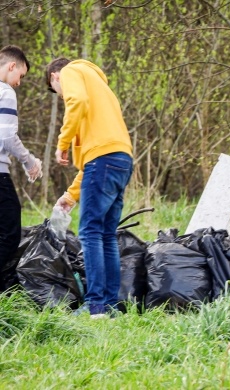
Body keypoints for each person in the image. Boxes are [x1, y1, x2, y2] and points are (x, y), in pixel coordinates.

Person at [45, 57, 133, 318]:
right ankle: (111, 306)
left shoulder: (71, 71)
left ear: (54, 77)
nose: (62, 97)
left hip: (104, 162)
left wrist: (63, 141)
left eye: (57, 92)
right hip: (121, 159)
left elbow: (77, 102)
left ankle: (95, 307)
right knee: (106, 234)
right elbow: (92, 160)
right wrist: (70, 196)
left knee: (90, 232)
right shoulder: (101, 91)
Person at [0, 45, 42, 289]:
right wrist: (30, 161)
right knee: (10, 233)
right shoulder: (5, 91)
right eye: (21, 76)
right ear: (12, 66)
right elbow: (6, 137)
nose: (19, 83)